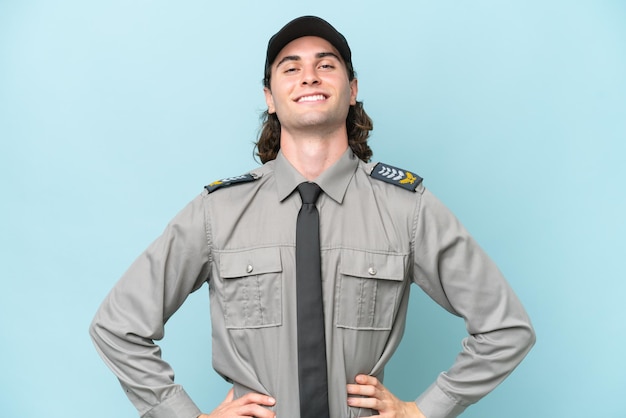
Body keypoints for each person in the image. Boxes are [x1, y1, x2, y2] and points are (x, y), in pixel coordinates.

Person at [90, 15, 535, 418]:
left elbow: (506, 329)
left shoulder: (407, 208)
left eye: (326, 64)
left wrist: (426, 411)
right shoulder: (217, 211)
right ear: (270, 97)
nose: (308, 76)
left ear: (353, 89)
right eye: (290, 67)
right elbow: (117, 327)